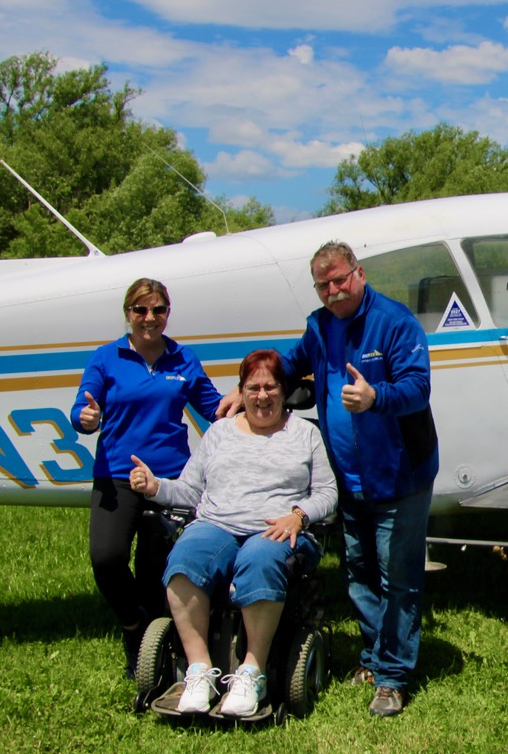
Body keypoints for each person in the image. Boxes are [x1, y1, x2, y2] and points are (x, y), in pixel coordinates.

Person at [219, 240, 437, 717]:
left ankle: (393, 678)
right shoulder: (319, 328)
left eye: (341, 280)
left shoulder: (395, 322)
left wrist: (376, 396)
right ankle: (373, 655)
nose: (334, 291)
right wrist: (245, 386)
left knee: (397, 578)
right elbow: (285, 367)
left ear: (358, 273)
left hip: (400, 475)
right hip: (348, 479)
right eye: (324, 285)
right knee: (358, 572)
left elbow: (418, 388)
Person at [129, 349, 338, 716]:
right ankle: (198, 671)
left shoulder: (304, 433)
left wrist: (299, 516)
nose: (262, 396)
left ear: (283, 389)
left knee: (259, 559)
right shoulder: (220, 432)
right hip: (217, 523)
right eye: (253, 388)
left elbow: (328, 493)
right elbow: (189, 492)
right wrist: (154, 487)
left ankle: (252, 672)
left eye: (270, 387)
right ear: (241, 392)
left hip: (274, 529)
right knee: (184, 560)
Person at [71, 278, 222, 678]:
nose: (149, 318)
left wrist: (247, 402)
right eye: (141, 310)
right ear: (128, 314)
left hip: (169, 478)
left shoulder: (183, 359)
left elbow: (212, 406)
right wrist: (85, 419)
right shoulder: (107, 357)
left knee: (158, 570)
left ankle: (154, 657)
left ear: (167, 314)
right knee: (107, 559)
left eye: (158, 310)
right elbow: (83, 406)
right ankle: (133, 623)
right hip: (116, 476)